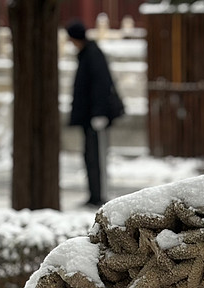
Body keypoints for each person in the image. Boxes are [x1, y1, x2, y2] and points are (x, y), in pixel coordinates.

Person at [66, 20, 124, 208]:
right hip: (89, 116)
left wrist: (99, 113)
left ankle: (100, 195)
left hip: (95, 116)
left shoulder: (92, 54)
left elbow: (101, 84)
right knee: (90, 157)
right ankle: (94, 194)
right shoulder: (86, 54)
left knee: (97, 156)